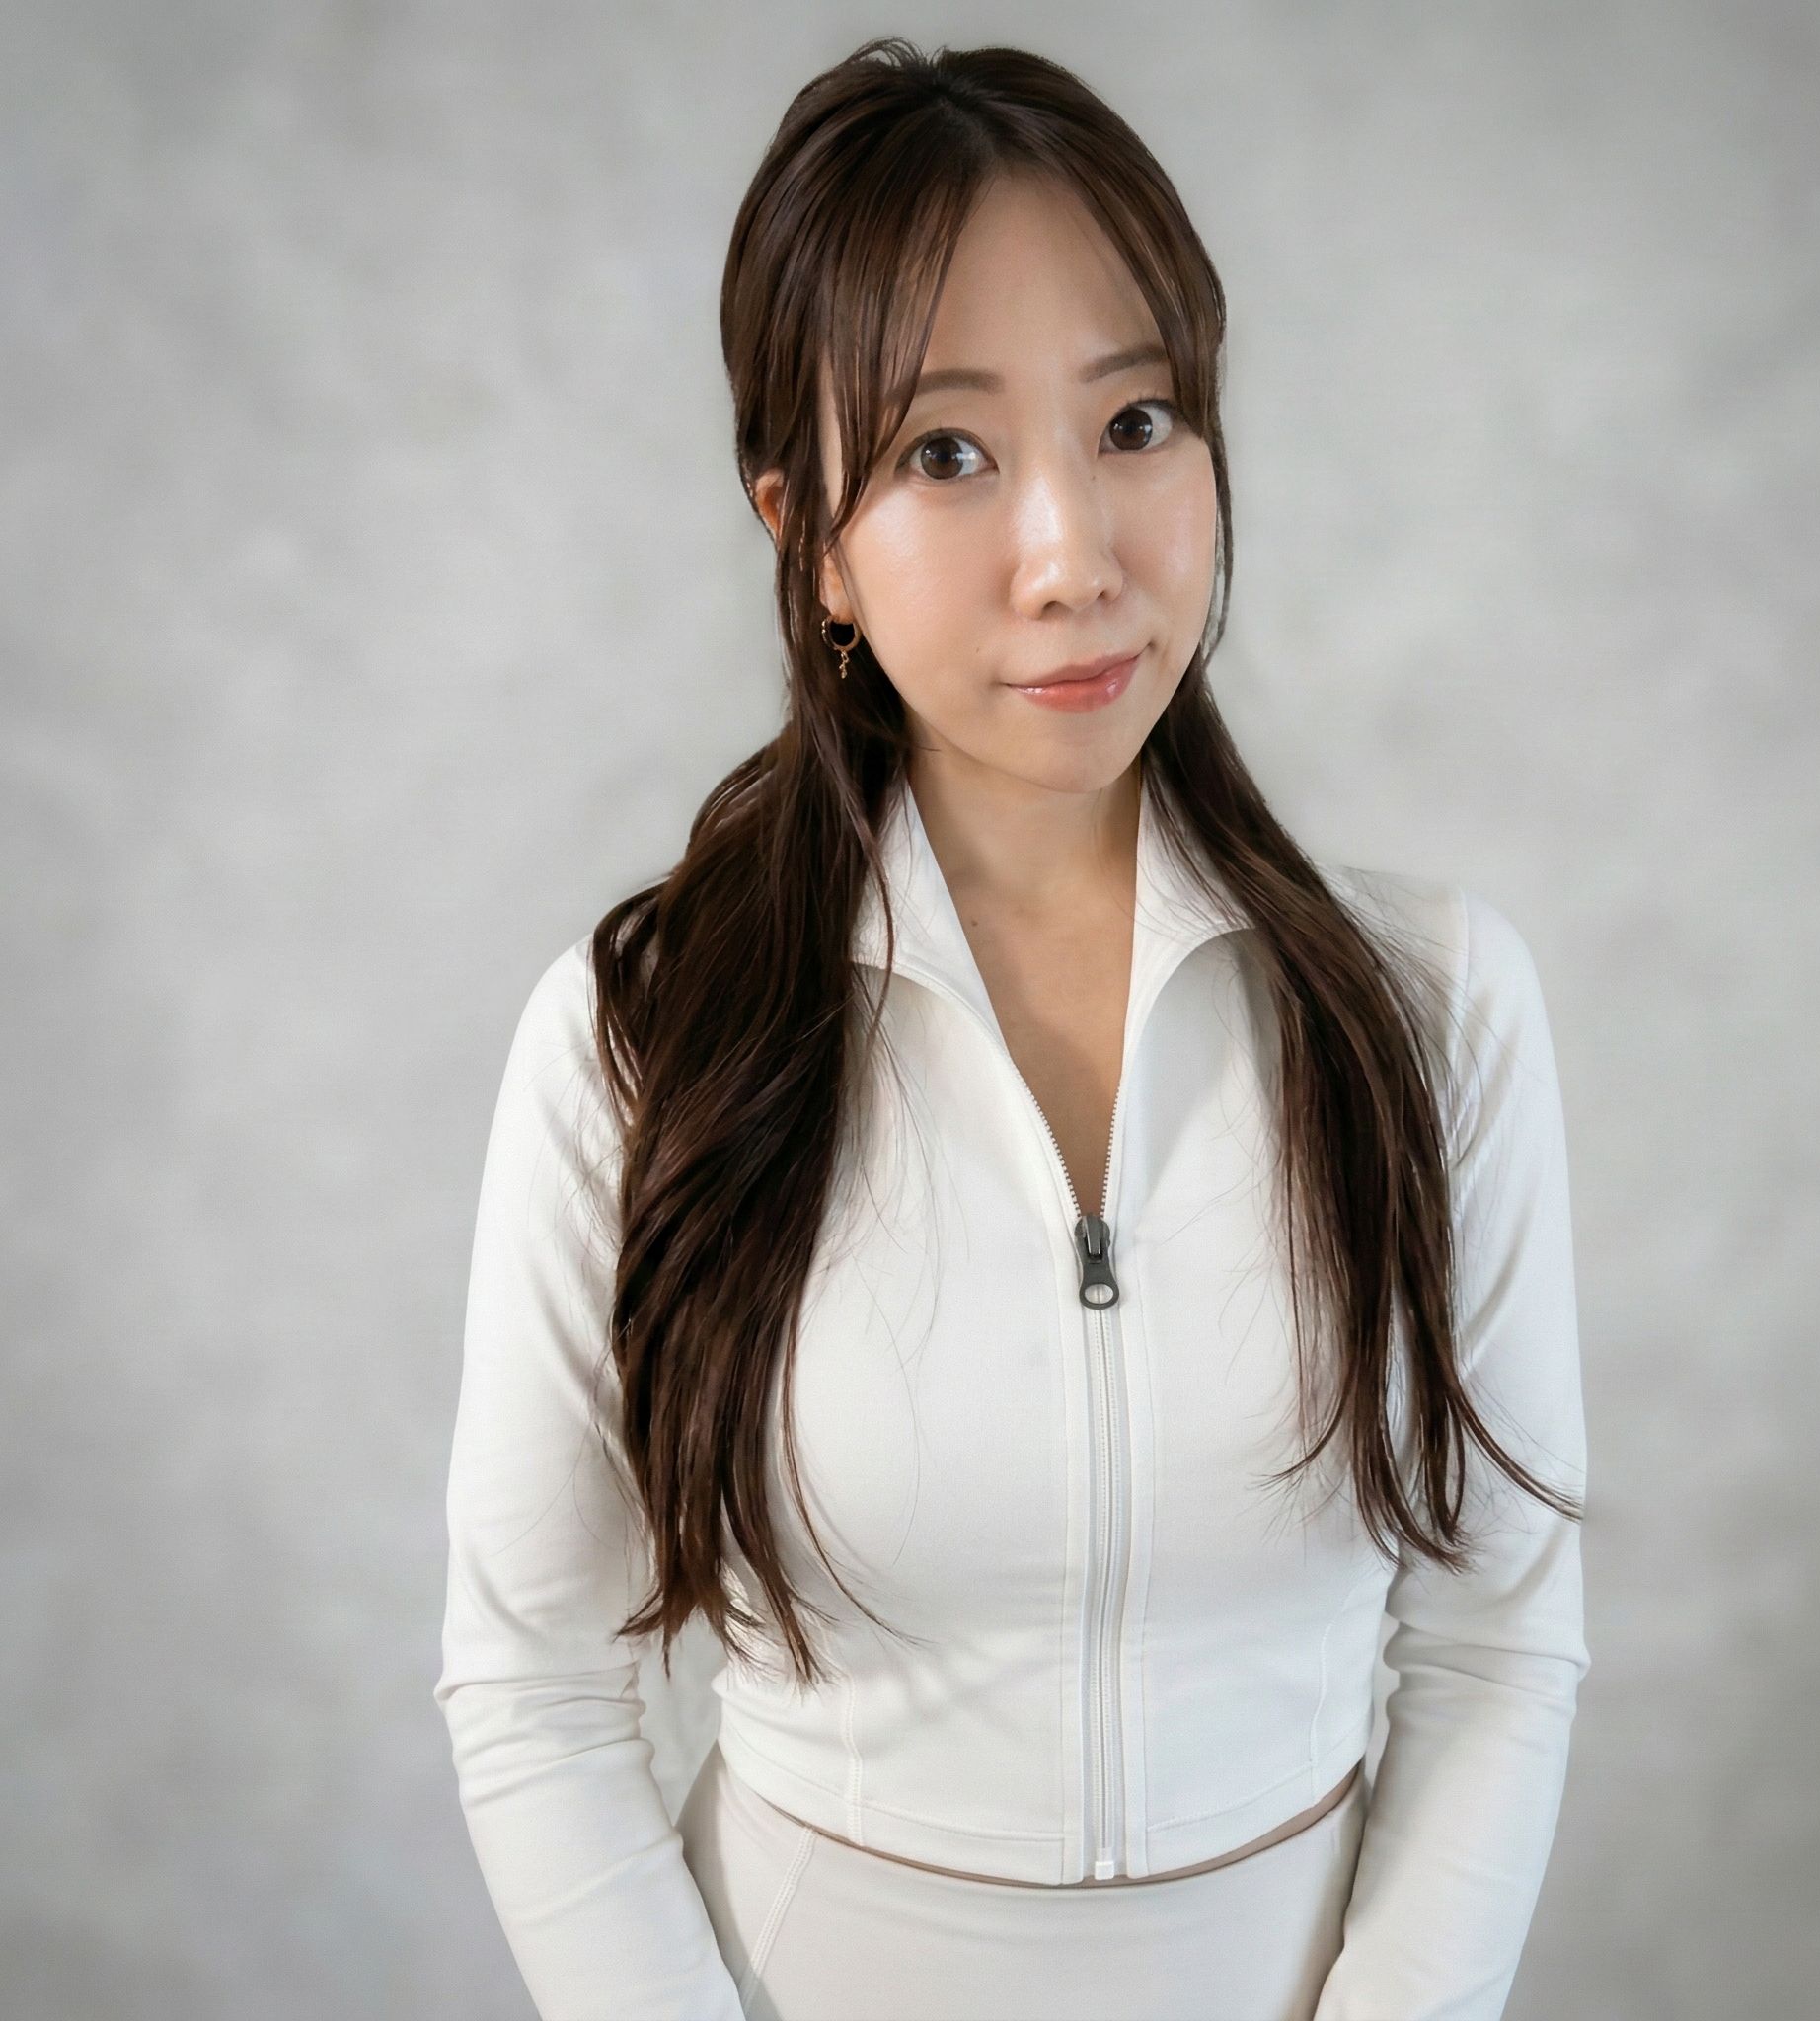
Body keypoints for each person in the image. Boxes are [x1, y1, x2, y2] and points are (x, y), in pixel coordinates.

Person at [432, 36, 1590, 2021]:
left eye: (1137, 420)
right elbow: (532, 1688)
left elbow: (1500, 1643)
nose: (1075, 559)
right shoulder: (640, 1042)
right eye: (944, 455)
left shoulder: (1433, 1011)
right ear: (806, 532)